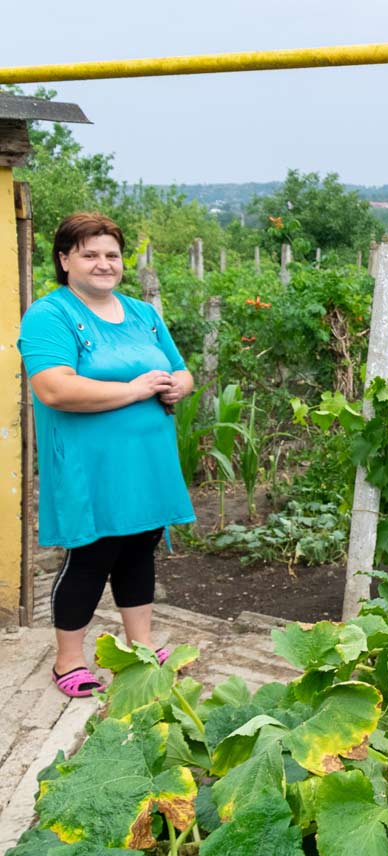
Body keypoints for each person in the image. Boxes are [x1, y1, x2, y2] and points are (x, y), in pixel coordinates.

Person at [18, 213, 196, 698]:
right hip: (89, 463)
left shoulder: (142, 313)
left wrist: (176, 387)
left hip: (147, 459)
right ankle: (68, 660)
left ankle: (141, 647)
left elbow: (181, 371)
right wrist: (136, 390)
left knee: (139, 546)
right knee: (92, 553)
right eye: (90, 254)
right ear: (64, 259)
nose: (104, 264)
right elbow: (55, 389)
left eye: (112, 255)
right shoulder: (49, 315)